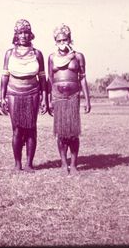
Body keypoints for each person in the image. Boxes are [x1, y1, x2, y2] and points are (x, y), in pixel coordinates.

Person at [1, 19, 47, 172]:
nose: (23, 36)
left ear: (31, 34)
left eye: (26, 32)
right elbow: (5, 76)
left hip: (33, 93)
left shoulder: (37, 54)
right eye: (20, 33)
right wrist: (2, 97)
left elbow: (42, 78)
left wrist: (45, 98)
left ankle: (29, 164)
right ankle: (17, 164)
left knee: (31, 128)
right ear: (16, 35)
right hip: (14, 93)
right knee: (17, 130)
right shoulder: (9, 53)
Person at [48, 24, 91, 175]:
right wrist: (49, 100)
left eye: (65, 39)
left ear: (70, 39)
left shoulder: (78, 56)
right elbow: (50, 80)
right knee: (61, 132)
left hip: (73, 97)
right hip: (58, 97)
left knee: (73, 132)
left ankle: (73, 165)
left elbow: (83, 79)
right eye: (59, 40)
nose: (62, 43)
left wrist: (87, 100)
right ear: (55, 41)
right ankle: (63, 164)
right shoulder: (52, 57)